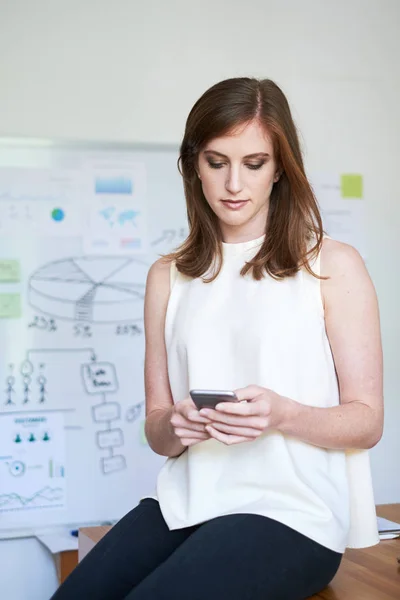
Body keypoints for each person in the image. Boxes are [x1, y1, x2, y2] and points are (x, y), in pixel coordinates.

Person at [51, 77, 383, 600]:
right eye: (216, 161)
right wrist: (178, 424)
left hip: (291, 513)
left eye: (254, 163)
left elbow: (367, 422)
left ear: (280, 169)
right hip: (185, 500)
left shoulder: (332, 265)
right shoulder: (168, 275)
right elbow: (158, 433)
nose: (234, 183)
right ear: (193, 165)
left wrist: (283, 414)